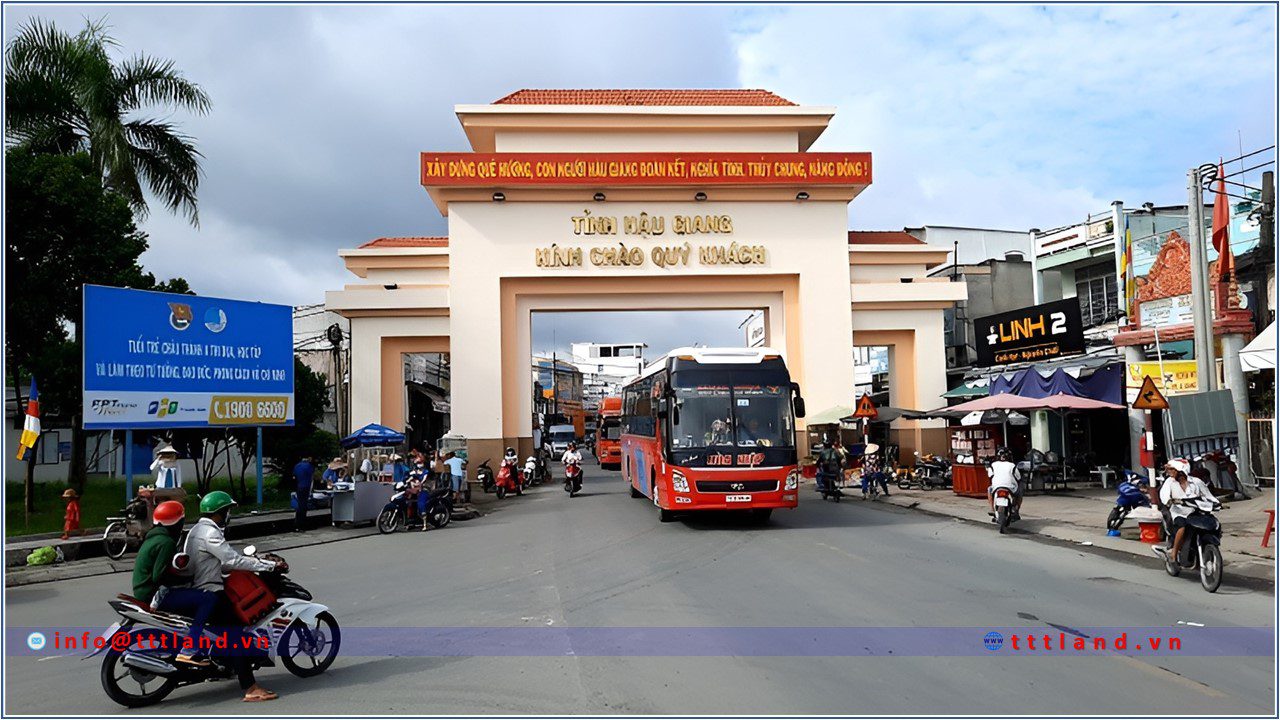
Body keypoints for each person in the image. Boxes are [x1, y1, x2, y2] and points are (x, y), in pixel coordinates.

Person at [186, 491, 281, 702]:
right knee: (236, 634)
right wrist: (268, 566)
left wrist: (256, 563)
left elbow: (226, 562)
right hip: (209, 591)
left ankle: (224, 665)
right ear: (219, 513)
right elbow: (233, 560)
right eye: (227, 510)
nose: (229, 514)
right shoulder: (210, 533)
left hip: (201, 588)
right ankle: (250, 687)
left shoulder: (197, 530)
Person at [134, 500, 218, 666]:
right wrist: (186, 580)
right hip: (153, 594)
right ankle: (190, 649)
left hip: (142, 590)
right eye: (181, 522)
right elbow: (160, 576)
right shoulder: (166, 542)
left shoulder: (153, 537)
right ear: (176, 523)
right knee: (209, 598)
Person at [1157, 459, 1219, 564]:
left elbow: (1208, 496)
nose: (1169, 472)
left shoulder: (1196, 482)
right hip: (1179, 513)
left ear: (1180, 470)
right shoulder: (1169, 482)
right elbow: (1164, 496)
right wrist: (1169, 501)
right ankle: (1174, 554)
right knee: (1182, 527)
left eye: (1172, 469)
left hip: (1195, 512)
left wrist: (1217, 503)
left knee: (1213, 523)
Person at [987, 447, 1022, 517]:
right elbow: (1018, 477)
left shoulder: (993, 465)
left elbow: (990, 475)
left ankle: (991, 509)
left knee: (989, 490)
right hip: (1010, 487)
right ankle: (1016, 509)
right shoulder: (1012, 465)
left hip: (996, 487)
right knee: (1019, 493)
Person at [292, 456, 315, 532]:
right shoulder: (309, 466)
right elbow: (312, 478)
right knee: (304, 506)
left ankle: (297, 524)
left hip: (299, 487)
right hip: (306, 487)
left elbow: (294, 476)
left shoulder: (297, 465)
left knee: (300, 505)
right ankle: (301, 525)